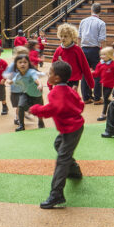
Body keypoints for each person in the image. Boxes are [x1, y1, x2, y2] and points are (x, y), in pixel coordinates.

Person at [29, 61, 85, 209]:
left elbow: (53, 108)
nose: (48, 74)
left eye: (51, 72)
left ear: (58, 78)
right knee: (58, 145)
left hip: (70, 129)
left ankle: (56, 194)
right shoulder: (69, 90)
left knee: (62, 158)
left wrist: (36, 109)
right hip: (74, 127)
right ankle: (74, 170)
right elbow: (80, 104)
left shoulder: (56, 92)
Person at [77, 3, 107, 103]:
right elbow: (102, 39)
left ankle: (86, 98)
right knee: (97, 74)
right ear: (100, 11)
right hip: (95, 50)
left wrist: (79, 49)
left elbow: (79, 37)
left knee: (85, 74)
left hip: (84, 49)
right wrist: (105, 53)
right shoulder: (101, 23)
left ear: (91, 10)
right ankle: (97, 98)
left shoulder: (83, 21)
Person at [10, 53, 45, 131]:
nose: (22, 64)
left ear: (28, 64)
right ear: (16, 65)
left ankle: (40, 121)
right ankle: (21, 125)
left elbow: (36, 79)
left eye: (25, 62)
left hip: (37, 95)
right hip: (26, 93)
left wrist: (39, 84)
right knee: (21, 106)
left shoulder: (31, 72)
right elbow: (13, 81)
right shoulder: (18, 75)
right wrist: (9, 81)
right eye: (20, 62)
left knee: (39, 111)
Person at [52, 23, 90, 92]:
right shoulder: (58, 50)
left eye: (65, 36)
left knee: (72, 96)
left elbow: (84, 65)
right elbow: (53, 65)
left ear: (72, 37)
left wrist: (90, 82)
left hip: (74, 78)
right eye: (61, 36)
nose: (63, 38)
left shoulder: (77, 49)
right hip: (61, 78)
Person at [92, 47, 114, 119]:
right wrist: (91, 73)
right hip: (104, 83)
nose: (101, 56)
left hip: (111, 84)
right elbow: (97, 73)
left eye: (104, 55)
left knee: (105, 99)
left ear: (109, 55)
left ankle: (103, 114)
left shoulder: (113, 64)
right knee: (106, 99)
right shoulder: (100, 64)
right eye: (101, 54)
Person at [4, 46, 30, 125]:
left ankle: (21, 115)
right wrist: (8, 79)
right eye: (20, 55)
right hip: (16, 90)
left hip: (25, 89)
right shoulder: (13, 65)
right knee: (19, 105)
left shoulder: (27, 65)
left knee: (23, 105)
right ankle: (17, 118)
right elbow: (5, 74)